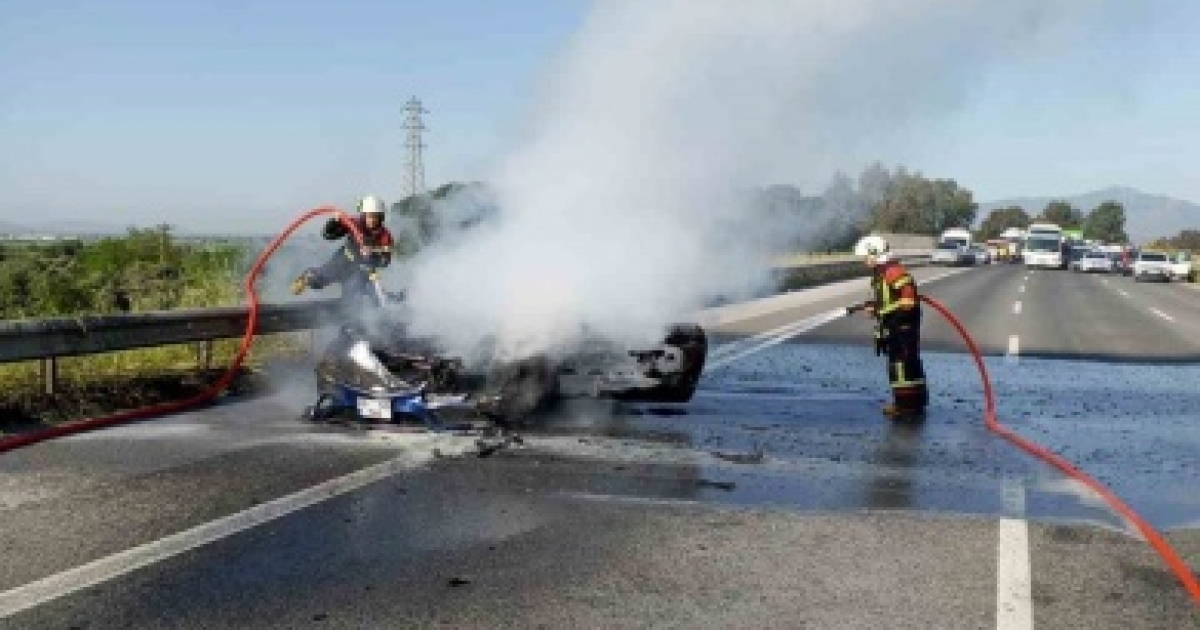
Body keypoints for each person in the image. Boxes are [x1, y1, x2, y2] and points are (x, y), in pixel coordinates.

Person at [853, 235, 928, 419]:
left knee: (900, 366)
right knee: (908, 363)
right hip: (899, 324)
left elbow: (906, 292)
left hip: (902, 325)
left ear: (874, 253)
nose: (864, 261)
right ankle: (915, 402)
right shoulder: (883, 272)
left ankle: (905, 406)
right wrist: (875, 308)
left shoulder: (891, 271)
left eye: (865, 257)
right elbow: (889, 300)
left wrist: (898, 314)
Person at [292, 195, 395, 309]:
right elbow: (328, 235)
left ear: (381, 217)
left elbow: (385, 261)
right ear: (364, 215)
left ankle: (383, 311)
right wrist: (334, 222)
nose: (373, 220)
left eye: (376, 216)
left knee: (355, 300)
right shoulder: (354, 224)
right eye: (370, 216)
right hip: (343, 262)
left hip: (362, 272)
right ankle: (308, 277)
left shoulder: (385, 236)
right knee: (318, 281)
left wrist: (374, 252)